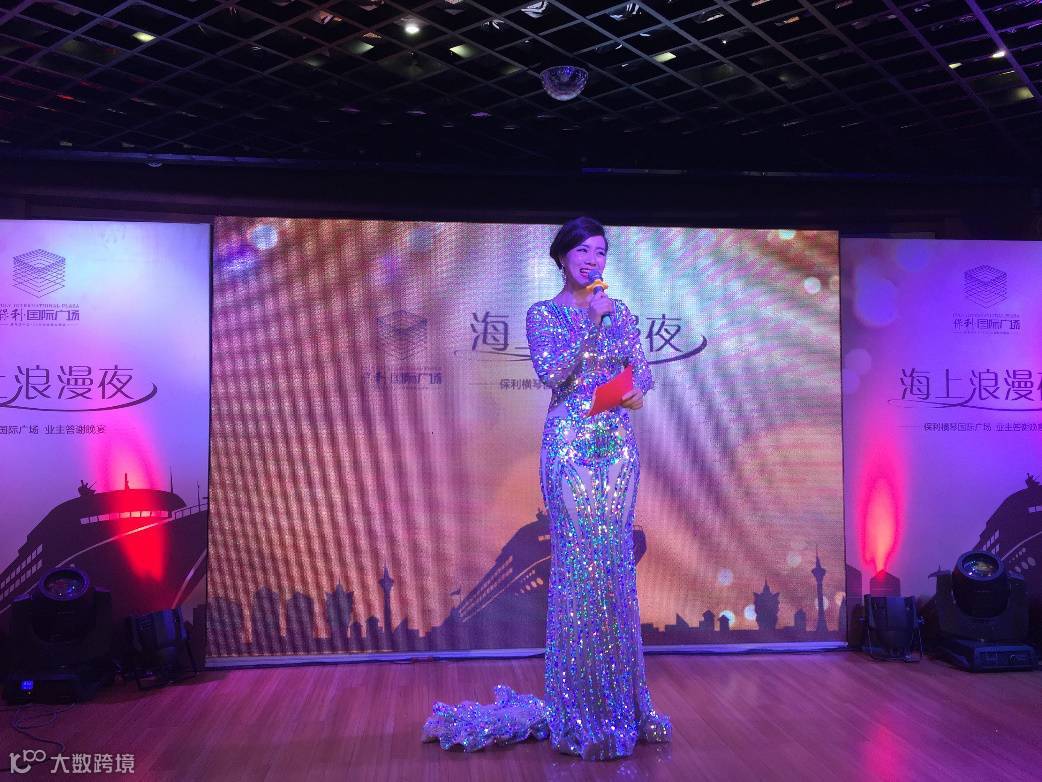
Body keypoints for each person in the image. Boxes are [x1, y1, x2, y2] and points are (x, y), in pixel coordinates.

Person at [421, 217, 671, 760]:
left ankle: (623, 702)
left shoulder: (621, 311)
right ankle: (578, 707)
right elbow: (552, 372)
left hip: (616, 448)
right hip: (569, 448)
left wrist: (628, 391)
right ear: (562, 258)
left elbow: (643, 374)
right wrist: (590, 325)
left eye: (600, 252)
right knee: (578, 570)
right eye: (582, 251)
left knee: (613, 568)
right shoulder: (543, 314)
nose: (592, 260)